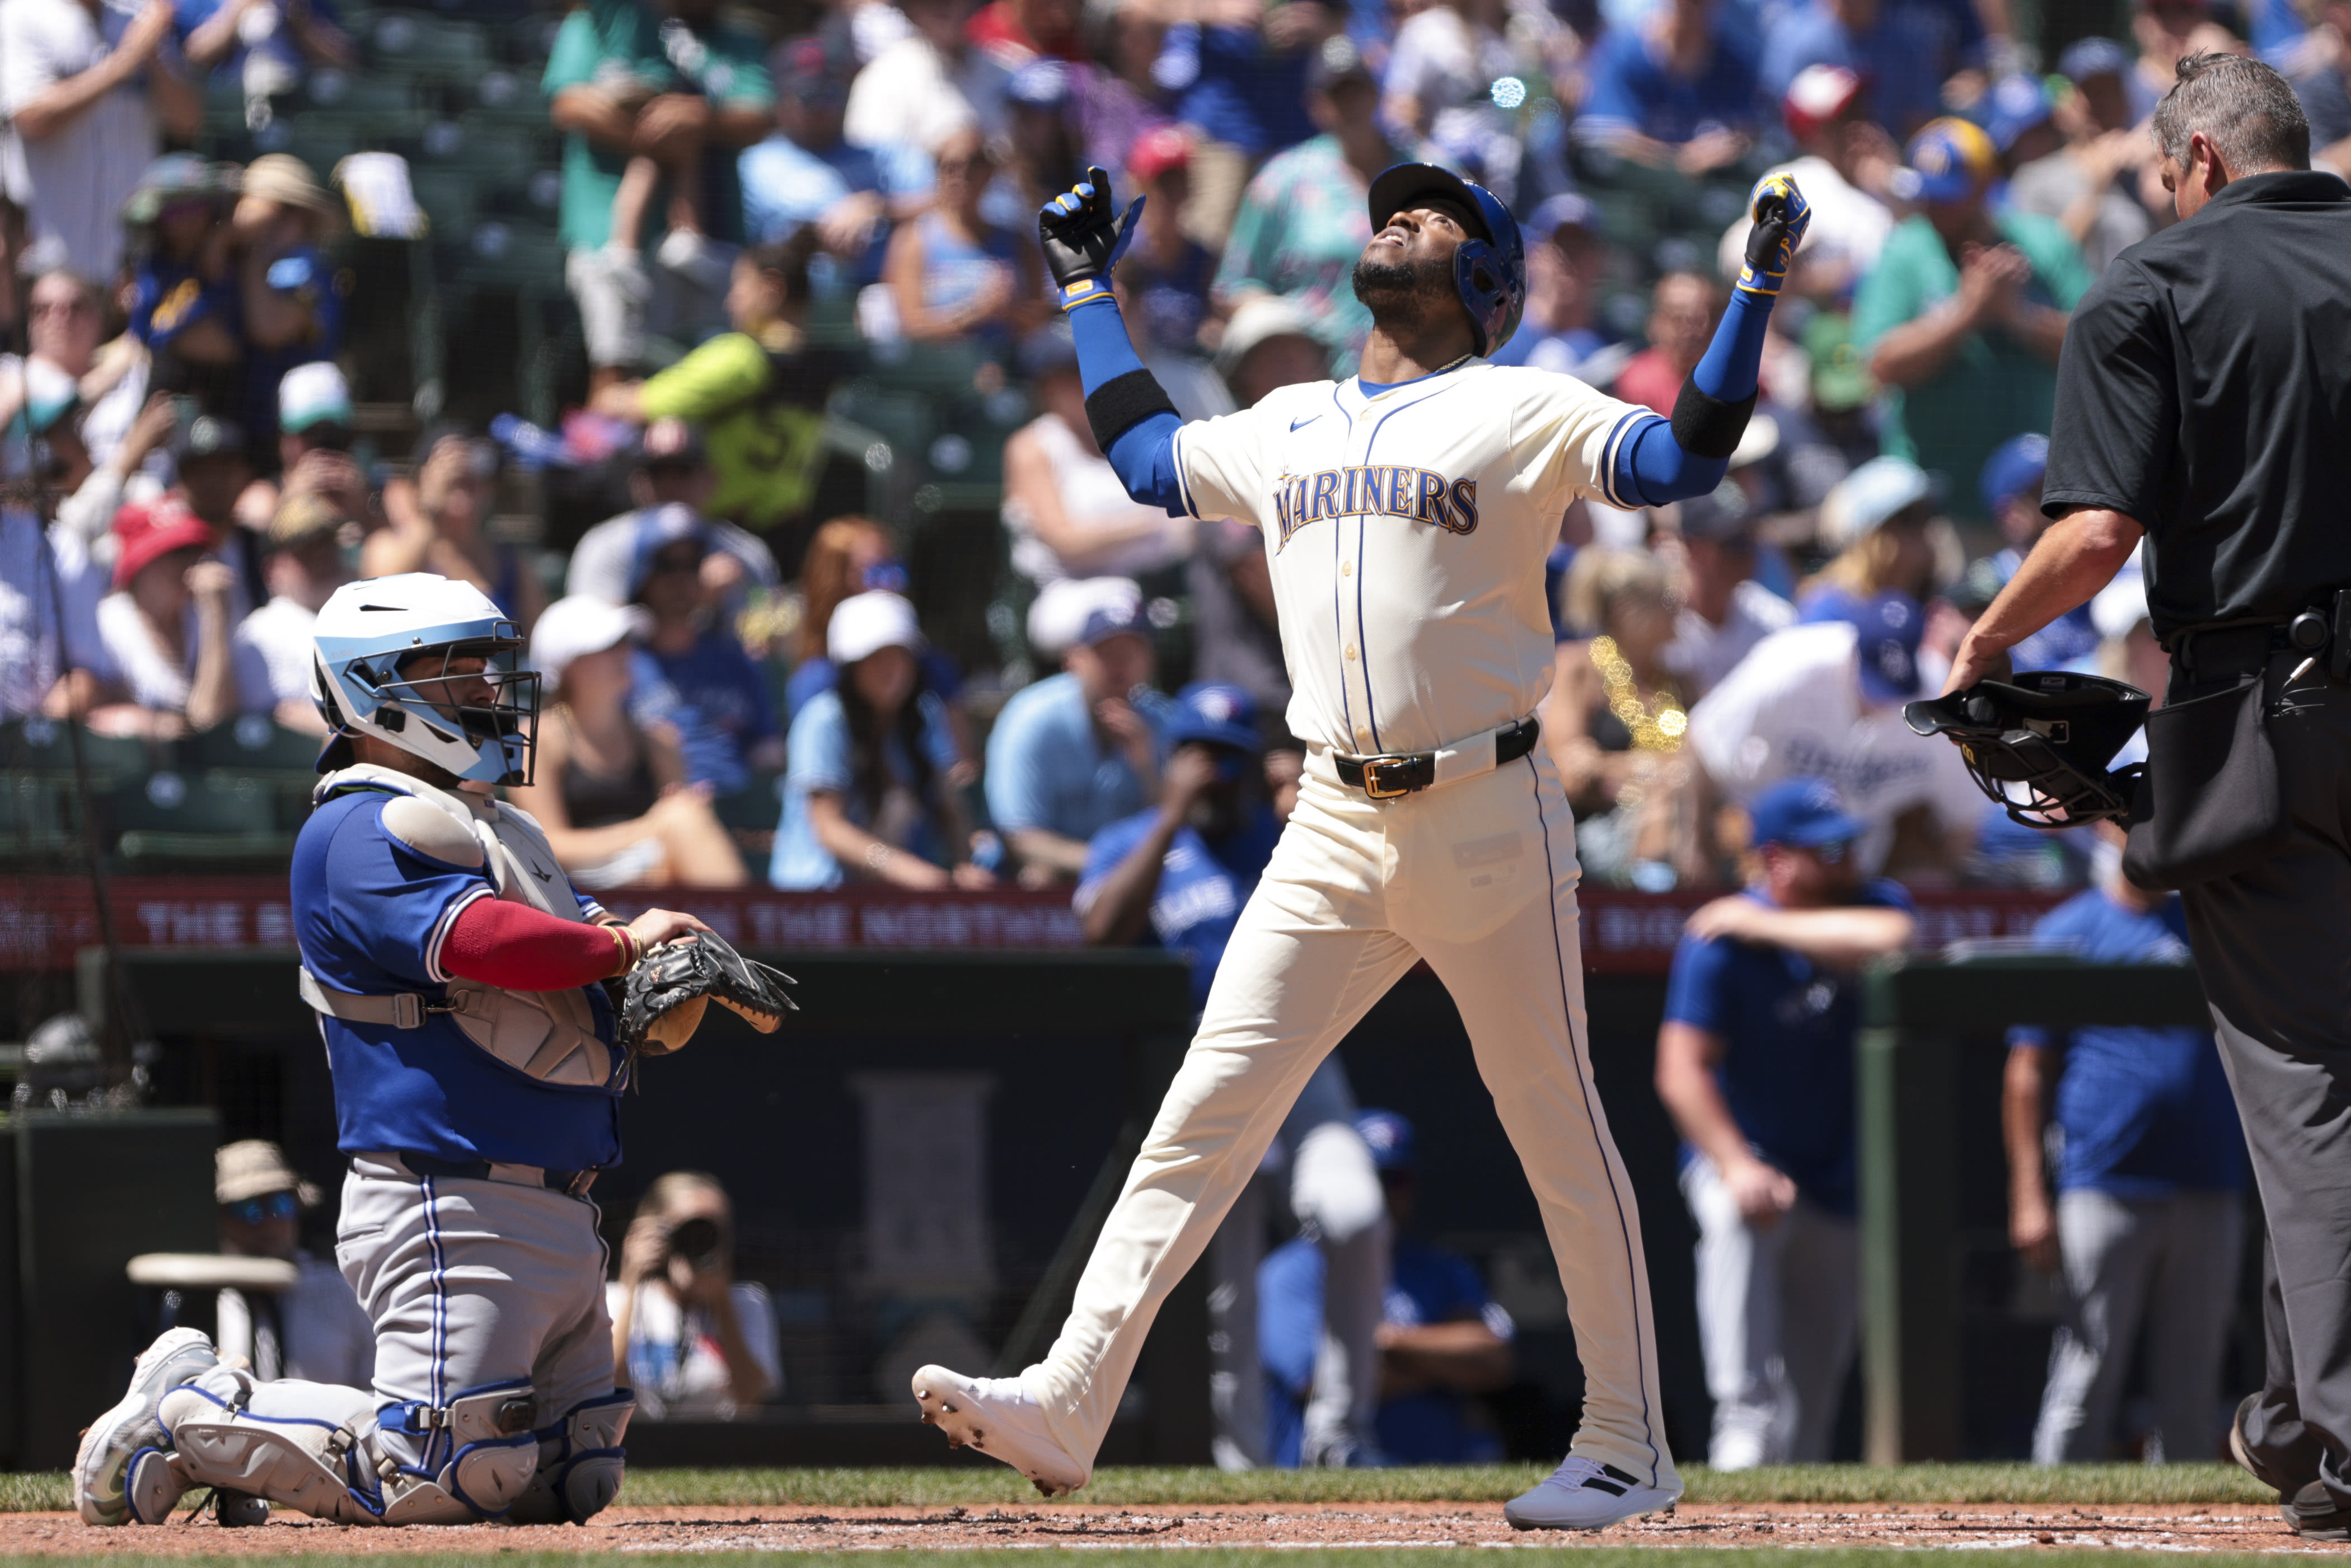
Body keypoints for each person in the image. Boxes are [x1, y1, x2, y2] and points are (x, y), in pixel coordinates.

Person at [910, 153, 1810, 1529]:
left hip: (1488, 809)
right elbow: (1150, 462)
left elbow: (1683, 457)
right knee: (1205, 1113)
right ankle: (1074, 1394)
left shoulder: (1521, 403)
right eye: (1396, 204)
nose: (1402, 215)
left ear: (1488, 280)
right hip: (1329, 816)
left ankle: (1627, 1443)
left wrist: (1752, 287)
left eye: (1439, 214)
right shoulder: (1289, 419)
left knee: (1554, 1129)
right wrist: (1089, 288)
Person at [72, 572, 719, 1528]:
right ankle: (191, 1409)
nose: (492, 700)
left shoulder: (501, 829)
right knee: (442, 1471)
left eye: (488, 678)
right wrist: (623, 944)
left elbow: (589, 965)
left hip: (562, 1207)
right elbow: (481, 942)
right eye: (460, 679)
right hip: (448, 1193)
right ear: (377, 689)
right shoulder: (354, 826)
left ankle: (240, 1440)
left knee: (568, 1473)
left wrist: (664, 978)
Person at [1936, 52, 2351, 1537]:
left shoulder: (2157, 280)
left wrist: (1985, 641)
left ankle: (2342, 1428)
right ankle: (2304, 1425)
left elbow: (2101, 532)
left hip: (2270, 712)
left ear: (2197, 163)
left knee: (2306, 1080)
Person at [1077, 681, 1390, 1468]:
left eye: (1231, 760)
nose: (1216, 774)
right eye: (1201, 755)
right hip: (1201, 1072)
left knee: (1353, 1212)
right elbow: (1099, 934)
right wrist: (1170, 814)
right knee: (1226, 1277)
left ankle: (1340, 1437)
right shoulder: (1134, 841)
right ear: (1173, 757)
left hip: (1303, 1058)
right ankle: (1243, 1463)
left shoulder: (1288, 839)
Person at [1654, 777, 1914, 1468]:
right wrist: (1738, 1163)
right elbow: (1680, 1070)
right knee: (1735, 1219)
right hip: (1747, 1155)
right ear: (1776, 857)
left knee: (1816, 1389)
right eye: (1826, 849)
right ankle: (1739, 1425)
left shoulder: (1868, 903)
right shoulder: (1718, 945)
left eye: (1850, 844)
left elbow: (1895, 935)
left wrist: (1761, 921)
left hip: (1837, 1173)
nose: (1846, 859)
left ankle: (1797, 1499)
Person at [2005, 832, 2247, 1463]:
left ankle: (2193, 1545)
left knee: (2194, 1382)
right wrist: (2029, 1191)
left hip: (2208, 1178)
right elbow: (2027, 1071)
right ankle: (2048, 1522)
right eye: (2127, 827)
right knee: (2088, 1366)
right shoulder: (2070, 927)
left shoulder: (2210, 922)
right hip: (2104, 1178)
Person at [1855, 118, 2092, 521]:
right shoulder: (1905, 250)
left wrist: (2018, 316)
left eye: (1949, 197)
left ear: (1986, 186)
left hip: (2045, 501)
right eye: (1927, 196)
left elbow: (2097, 349)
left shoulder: (2042, 243)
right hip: (1942, 505)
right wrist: (1967, 313)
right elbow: (1881, 365)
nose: (1936, 209)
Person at [1259, 1109, 1518, 1466]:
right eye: (1376, 1179)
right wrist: (1443, 1368)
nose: (1386, 1195)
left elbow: (1494, 1360)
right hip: (1324, 1481)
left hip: (1436, 1479)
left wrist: (1381, 1340)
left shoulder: (1440, 1268)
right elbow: (1314, 1381)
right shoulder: (1291, 1271)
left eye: (1399, 1180)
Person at [545, 0, 776, 391]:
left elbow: (759, 117)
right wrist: (657, 138)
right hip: (606, 226)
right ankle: (610, 451)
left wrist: (701, 117)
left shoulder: (737, 40)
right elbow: (568, 105)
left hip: (708, 238)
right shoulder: (605, 23)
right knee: (618, 366)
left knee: (698, 373)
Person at [1689, 591, 1983, 878]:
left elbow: (1963, 817)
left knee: (1926, 874)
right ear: (1853, 650)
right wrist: (1698, 851)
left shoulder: (1935, 695)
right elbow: (1705, 742)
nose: (1881, 702)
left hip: (1861, 858)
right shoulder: (1790, 664)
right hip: (1769, 844)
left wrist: (1947, 882)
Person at [590, 234, 840, 544]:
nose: (730, 301)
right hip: (786, 536)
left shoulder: (743, 357)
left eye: (740, 286)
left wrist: (613, 394)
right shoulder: (823, 369)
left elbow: (636, 406)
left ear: (772, 288)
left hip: (717, 538)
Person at [508, 593, 750, 890]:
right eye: (609, 645)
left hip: (653, 875)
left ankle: (738, 932)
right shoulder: (533, 740)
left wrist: (671, 820)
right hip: (577, 896)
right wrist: (652, 826)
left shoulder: (660, 740)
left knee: (688, 818)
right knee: (684, 818)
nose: (625, 653)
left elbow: (676, 826)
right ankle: (745, 931)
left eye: (626, 642)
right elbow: (548, 845)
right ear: (569, 664)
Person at [769, 589, 995, 890]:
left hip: (899, 897)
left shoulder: (926, 714)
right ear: (851, 667)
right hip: (818, 897)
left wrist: (966, 865)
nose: (891, 668)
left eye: (899, 655)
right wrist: (905, 870)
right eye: (874, 657)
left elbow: (949, 807)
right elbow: (829, 828)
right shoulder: (822, 720)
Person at [1210, 38, 1399, 377]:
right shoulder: (1283, 180)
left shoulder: (1423, 171)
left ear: (1378, 94)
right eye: (1338, 95)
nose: (1351, 105)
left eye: (1359, 91)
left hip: (1409, 382)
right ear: (1316, 105)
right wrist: (1287, 332)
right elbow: (1234, 287)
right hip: (1313, 387)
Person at [0, 0, 198, 282]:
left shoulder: (139, 18)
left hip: (130, 260)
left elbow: (188, 121)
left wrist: (152, 58)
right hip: (49, 256)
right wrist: (124, 63)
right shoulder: (23, 14)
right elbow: (33, 118)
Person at [984, 579, 1164, 884]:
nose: (1119, 666)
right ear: (1073, 660)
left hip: (1134, 887)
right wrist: (1114, 865)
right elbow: (1020, 839)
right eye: (1106, 653)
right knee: (1038, 877)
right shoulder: (1032, 718)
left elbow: (1177, 830)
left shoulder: (1162, 721)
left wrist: (1146, 766)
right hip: (1047, 882)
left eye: (1131, 652)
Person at [1540, 547, 1692, 886]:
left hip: (1680, 825)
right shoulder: (1578, 668)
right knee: (1664, 810)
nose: (1681, 610)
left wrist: (1618, 767)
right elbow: (1569, 771)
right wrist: (1659, 770)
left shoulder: (1681, 682)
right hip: (1601, 830)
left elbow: (1708, 759)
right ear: (1628, 611)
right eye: (1668, 602)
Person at [1004, 323, 1195, 585]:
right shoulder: (1035, 445)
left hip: (1157, 583)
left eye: (1095, 370)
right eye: (1074, 374)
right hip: (1068, 588)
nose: (1089, 382)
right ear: (1047, 386)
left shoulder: (1132, 433)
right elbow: (1066, 542)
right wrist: (1151, 525)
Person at [623, 512, 785, 796]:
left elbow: (767, 749)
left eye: (691, 565)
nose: (681, 579)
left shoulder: (735, 660)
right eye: (667, 566)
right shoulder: (620, 665)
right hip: (657, 814)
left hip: (739, 812)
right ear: (642, 576)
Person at [1715, 66, 1897, 302]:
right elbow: (1750, 266)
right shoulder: (1794, 181)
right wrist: (1821, 279)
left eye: (1862, 111)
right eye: (1847, 117)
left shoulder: (1888, 173)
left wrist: (1893, 182)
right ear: (1814, 132)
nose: (1861, 125)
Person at [608, 1172, 781, 1420]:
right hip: (634, 1449)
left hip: (718, 1451)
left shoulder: (746, 1302)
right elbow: (604, 1389)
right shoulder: (614, 1300)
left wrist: (720, 1301)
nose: (698, 1241)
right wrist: (632, 1282)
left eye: (711, 1230)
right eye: (688, 1229)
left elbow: (750, 1399)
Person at [565, 423, 781, 614]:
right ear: (637, 484)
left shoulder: (745, 554)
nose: (671, 485)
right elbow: (587, 644)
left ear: (711, 480)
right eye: (658, 473)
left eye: (683, 471)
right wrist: (692, 598)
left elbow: (767, 640)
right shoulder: (603, 545)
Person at [210, 1139, 373, 1390]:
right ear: (219, 1219)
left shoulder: (344, 1292)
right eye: (247, 1209)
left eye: (280, 1205)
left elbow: (376, 1392)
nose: (268, 1223)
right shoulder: (202, 1300)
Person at [739, 35, 901, 268]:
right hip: (799, 297)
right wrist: (827, 231)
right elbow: (756, 251)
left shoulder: (880, 154)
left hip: (879, 290)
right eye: (809, 97)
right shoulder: (755, 165)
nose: (822, 107)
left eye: (831, 94)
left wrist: (879, 208)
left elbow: (939, 203)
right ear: (781, 103)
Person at [364, 424, 545, 630]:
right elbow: (380, 610)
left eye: (471, 465)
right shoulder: (387, 545)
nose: (460, 467)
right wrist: (429, 511)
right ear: (420, 479)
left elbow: (537, 642)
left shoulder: (510, 563)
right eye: (445, 460)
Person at [86, 495, 238, 734]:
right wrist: (146, 723)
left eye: (194, 550)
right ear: (139, 565)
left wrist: (217, 618)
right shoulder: (109, 622)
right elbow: (88, 716)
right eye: (174, 552)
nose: (189, 563)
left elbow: (216, 722)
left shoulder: (205, 613)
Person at [2006, 45, 2156, 277]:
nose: (2102, 104)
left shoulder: (2147, 169)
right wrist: (2097, 189)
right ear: (2067, 103)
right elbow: (2040, 266)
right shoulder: (2035, 177)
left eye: (2111, 92)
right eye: (2091, 93)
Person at [230, 155, 343, 452]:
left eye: (284, 214)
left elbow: (268, 327)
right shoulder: (233, 266)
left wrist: (250, 255)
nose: (270, 225)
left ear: (304, 221)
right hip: (243, 418)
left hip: (295, 429)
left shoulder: (308, 271)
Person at [1575, 0, 1760, 174]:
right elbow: (1603, 138)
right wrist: (1681, 159)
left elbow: (1749, 132)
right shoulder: (1622, 53)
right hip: (1635, 191)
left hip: (1707, 194)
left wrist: (1735, 144)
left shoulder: (1735, 63)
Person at [1971, 433, 2096, 673]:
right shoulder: (1985, 585)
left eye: (2062, 484)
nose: (2062, 499)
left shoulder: (2098, 565)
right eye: (2043, 492)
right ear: (2010, 516)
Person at [1660, 482, 1795, 703]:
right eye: (1736, 542)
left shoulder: (1773, 619)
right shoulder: (1661, 627)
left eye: (1752, 537)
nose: (1749, 551)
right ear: (1694, 549)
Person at [230, 490, 350, 732]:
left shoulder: (355, 617)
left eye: (327, 546)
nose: (322, 559)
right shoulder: (262, 630)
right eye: (305, 552)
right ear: (271, 570)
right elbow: (277, 714)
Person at [1490, 194, 1627, 382]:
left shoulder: (1617, 351)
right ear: (1533, 255)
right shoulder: (1496, 338)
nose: (1569, 261)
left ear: (1600, 260)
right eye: (1560, 248)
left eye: (1580, 248)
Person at [1759, 0, 1942, 139]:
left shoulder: (1907, 44)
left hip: (1888, 162)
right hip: (1816, 165)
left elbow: (1919, 123)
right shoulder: (1795, 40)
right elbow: (1783, 125)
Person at [1800, 455, 1941, 612]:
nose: (1924, 534)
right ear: (1871, 539)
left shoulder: (1930, 607)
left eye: (1927, 517)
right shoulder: (1829, 610)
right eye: (1909, 520)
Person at [1615, 271, 1721, 418]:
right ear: (1656, 323)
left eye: (1700, 320)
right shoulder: (1638, 382)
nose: (1692, 331)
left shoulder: (1734, 378)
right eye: (1679, 318)